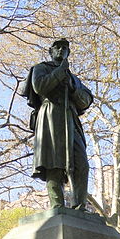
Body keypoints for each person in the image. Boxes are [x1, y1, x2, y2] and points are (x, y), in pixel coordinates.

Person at [21, 39, 93, 209]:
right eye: (58, 47)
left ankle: (80, 206)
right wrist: (60, 72)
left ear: (68, 53)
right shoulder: (41, 68)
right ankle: (57, 206)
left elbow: (86, 100)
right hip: (50, 117)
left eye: (65, 48)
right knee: (53, 162)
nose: (61, 50)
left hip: (70, 119)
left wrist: (73, 88)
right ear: (51, 51)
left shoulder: (74, 79)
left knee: (81, 163)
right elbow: (39, 87)